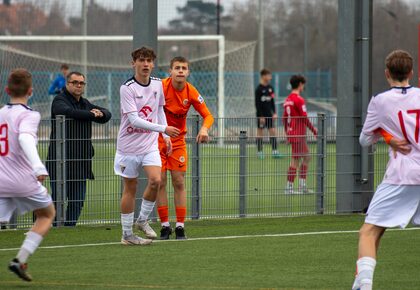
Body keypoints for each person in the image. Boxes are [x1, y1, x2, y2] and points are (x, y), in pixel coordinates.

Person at [352, 50, 420, 290]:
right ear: (411, 72)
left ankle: (365, 286)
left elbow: (364, 139)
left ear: (387, 74)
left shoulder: (381, 101)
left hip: (403, 175)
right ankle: (358, 282)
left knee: (368, 231)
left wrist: (387, 136)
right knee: (377, 230)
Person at [115, 47, 180, 246]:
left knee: (155, 180)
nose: (145, 64)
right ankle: (127, 235)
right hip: (127, 147)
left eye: (149, 61)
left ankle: (142, 220)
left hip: (150, 145)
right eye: (141, 60)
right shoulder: (127, 88)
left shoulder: (158, 84)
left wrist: (163, 136)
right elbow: (134, 120)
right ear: (133, 63)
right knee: (130, 189)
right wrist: (164, 128)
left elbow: (159, 108)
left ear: (153, 64)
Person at [0, 68, 55, 281]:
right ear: (31, 91)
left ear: (6, 90)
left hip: (1, 180)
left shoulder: (1, 113)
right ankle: (20, 259)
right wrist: (38, 166)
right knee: (47, 214)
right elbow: (24, 139)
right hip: (22, 180)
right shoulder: (29, 114)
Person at [156, 56, 214, 240]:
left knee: (179, 182)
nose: (180, 71)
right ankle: (165, 226)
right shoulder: (160, 88)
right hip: (156, 139)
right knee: (159, 181)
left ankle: (180, 226)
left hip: (178, 140)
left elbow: (208, 115)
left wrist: (204, 129)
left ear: (188, 72)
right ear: (170, 71)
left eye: (184, 68)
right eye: (177, 68)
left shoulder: (191, 91)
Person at [46, 71, 111, 226]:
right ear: (68, 84)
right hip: (60, 160)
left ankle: (69, 227)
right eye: (75, 82)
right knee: (58, 200)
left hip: (81, 161)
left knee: (77, 201)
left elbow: (107, 114)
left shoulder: (84, 103)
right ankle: (54, 227)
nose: (78, 85)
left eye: (81, 83)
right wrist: (91, 114)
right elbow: (67, 112)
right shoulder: (59, 100)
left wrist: (99, 113)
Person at [282, 75, 317, 194]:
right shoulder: (298, 99)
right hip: (298, 134)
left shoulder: (287, 99)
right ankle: (290, 187)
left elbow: (284, 118)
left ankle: (300, 186)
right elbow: (304, 117)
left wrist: (288, 134)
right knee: (296, 160)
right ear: (300, 84)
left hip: (293, 134)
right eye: (303, 84)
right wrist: (314, 130)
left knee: (306, 157)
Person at [255, 68, 281, 159]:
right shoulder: (258, 89)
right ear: (263, 76)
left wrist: (274, 113)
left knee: (273, 131)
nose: (270, 77)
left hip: (269, 115)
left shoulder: (270, 88)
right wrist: (261, 116)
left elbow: (272, 102)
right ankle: (259, 151)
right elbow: (257, 104)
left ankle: (275, 151)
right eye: (268, 75)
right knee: (260, 132)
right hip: (261, 115)